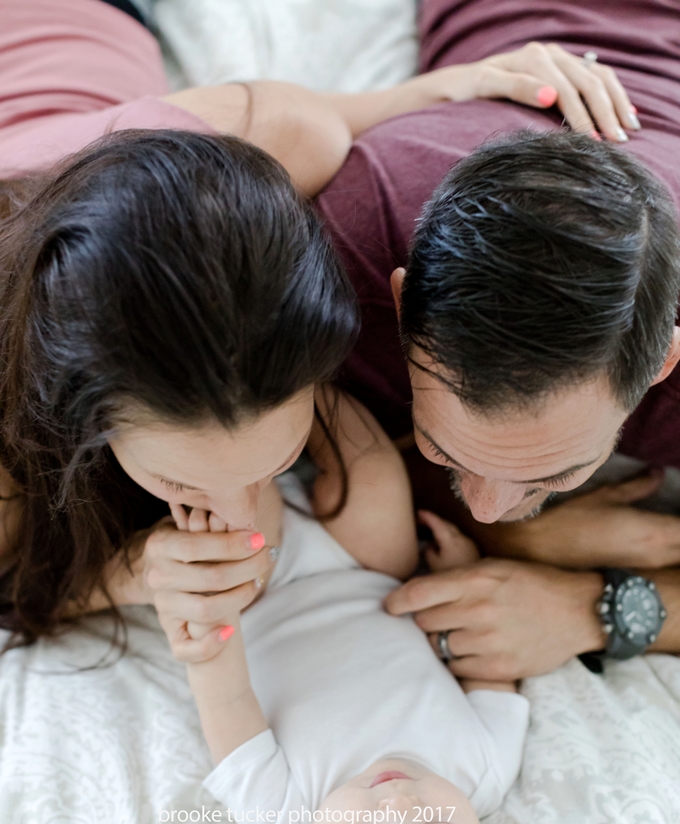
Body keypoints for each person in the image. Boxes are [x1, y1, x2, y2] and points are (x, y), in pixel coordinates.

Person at [0, 0, 637, 645]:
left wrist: (466, 83)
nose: (241, 514)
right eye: (180, 482)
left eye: (276, 466)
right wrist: (125, 576)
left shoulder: (276, 138)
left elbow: (358, 110)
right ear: (69, 399)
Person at [316, 0, 680, 682]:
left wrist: (592, 607)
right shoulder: (343, 253)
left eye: (552, 474)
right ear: (399, 305)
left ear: (662, 363)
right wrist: (505, 537)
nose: (485, 506)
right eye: (445, 448)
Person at [164, 467, 527, 824]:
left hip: (262, 589)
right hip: (379, 571)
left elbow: (229, 703)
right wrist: (465, 577)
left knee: (233, 515)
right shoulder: (485, 771)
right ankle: (320, 394)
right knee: (371, 477)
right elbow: (490, 666)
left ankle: (252, 437)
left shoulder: (285, 822)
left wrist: (207, 630)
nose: (398, 804)